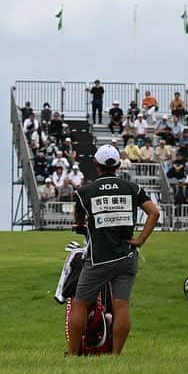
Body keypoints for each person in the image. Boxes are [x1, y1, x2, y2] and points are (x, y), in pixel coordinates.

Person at [68, 144, 160, 357]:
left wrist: (82, 225)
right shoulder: (132, 188)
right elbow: (154, 213)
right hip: (126, 256)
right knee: (121, 305)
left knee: (80, 303)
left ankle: (72, 355)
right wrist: (140, 240)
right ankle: (116, 355)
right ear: (118, 165)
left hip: (98, 259)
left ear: (96, 165)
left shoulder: (84, 192)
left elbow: (79, 219)